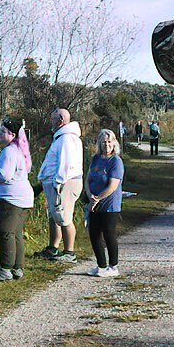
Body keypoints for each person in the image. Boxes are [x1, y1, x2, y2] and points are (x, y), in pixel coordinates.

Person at [0, 118, 34, 281]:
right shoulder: (17, 150)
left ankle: (5, 269)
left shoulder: (9, 151)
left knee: (5, 233)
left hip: (10, 199)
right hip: (21, 199)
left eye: (3, 131)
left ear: (12, 134)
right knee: (15, 234)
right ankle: (17, 268)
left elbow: (5, 174)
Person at [35, 108, 82, 263]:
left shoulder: (67, 138)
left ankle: (70, 252)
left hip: (64, 184)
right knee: (54, 216)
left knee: (63, 217)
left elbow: (66, 163)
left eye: (53, 119)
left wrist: (58, 182)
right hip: (55, 183)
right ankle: (53, 248)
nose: (51, 122)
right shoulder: (61, 137)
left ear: (60, 120)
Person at [82, 129, 125, 278]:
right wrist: (89, 195)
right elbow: (88, 179)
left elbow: (113, 185)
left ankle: (113, 266)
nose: (106, 145)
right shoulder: (95, 159)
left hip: (109, 205)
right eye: (103, 142)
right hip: (94, 203)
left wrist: (98, 198)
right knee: (94, 234)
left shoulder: (116, 162)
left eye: (109, 142)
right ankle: (101, 265)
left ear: (114, 143)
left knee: (109, 233)